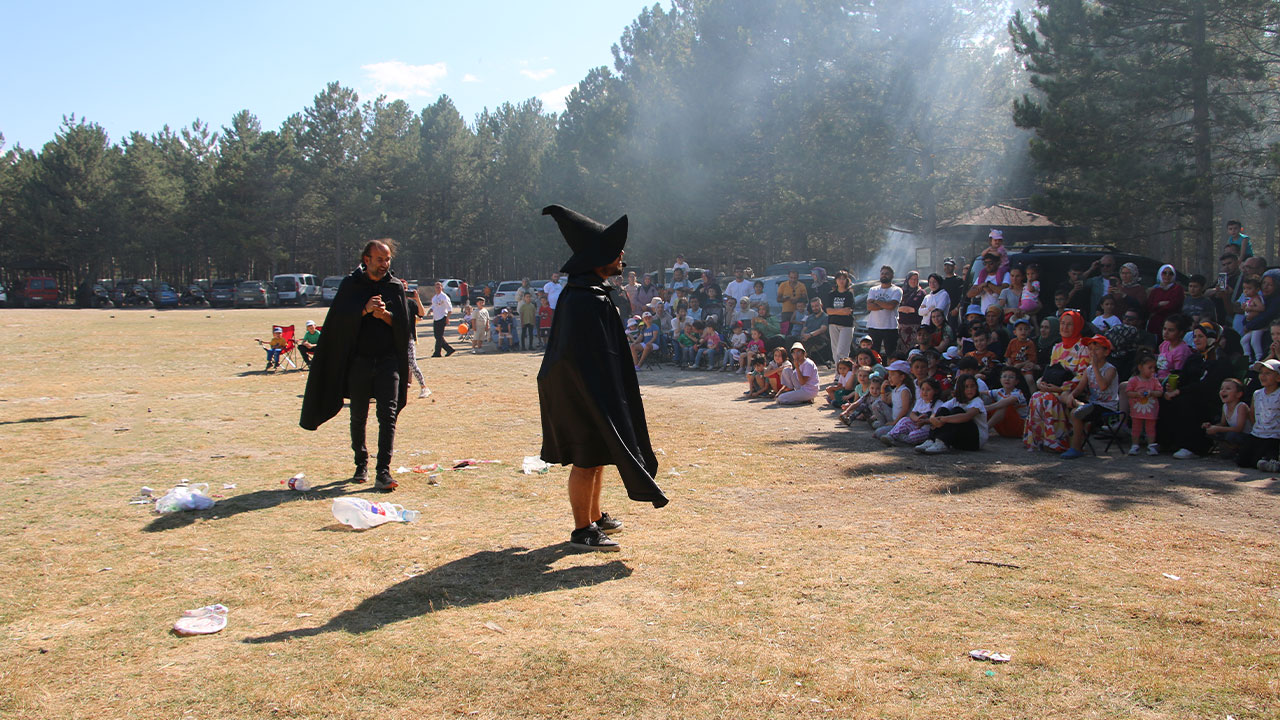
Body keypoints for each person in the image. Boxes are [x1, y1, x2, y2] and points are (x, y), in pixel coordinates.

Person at [537, 204, 668, 552]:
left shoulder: (590, 293)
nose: (622, 256)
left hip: (591, 391)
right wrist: (597, 397)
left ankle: (594, 516)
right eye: (614, 252)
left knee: (597, 454)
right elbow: (576, 360)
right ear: (598, 260)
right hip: (579, 393)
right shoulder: (582, 299)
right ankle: (582, 529)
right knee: (585, 458)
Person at [300, 239, 412, 491]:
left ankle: (383, 471)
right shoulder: (351, 286)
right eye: (380, 259)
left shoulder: (394, 287)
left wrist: (384, 315)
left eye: (388, 260)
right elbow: (337, 323)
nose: (385, 264)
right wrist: (363, 310)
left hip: (388, 361)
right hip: (359, 361)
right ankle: (361, 462)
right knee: (358, 414)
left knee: (388, 415)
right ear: (366, 260)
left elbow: (404, 328)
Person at [1161, 322, 1235, 459]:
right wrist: (1174, 385)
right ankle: (1167, 442)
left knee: (1187, 401)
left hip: (1209, 399)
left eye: (1201, 336)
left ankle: (1192, 446)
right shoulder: (1195, 357)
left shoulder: (1221, 361)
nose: (1197, 340)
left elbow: (1207, 385)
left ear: (1212, 338)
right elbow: (1184, 375)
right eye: (1195, 336)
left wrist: (1180, 391)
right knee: (1164, 397)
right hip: (1189, 393)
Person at [1024, 310, 1090, 452]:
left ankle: (1057, 442)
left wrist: (1059, 389)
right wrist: (1041, 382)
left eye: (1070, 325)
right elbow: (1052, 370)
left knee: (1048, 398)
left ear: (1077, 326)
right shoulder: (1057, 347)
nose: (1065, 328)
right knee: (1036, 396)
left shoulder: (1083, 348)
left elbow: (1082, 375)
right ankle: (1039, 440)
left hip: (1072, 390)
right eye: (1062, 324)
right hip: (1053, 387)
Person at [1060, 335, 1119, 459]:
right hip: (1092, 402)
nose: (1093, 352)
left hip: (1105, 405)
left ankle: (1076, 447)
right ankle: (1079, 405)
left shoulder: (1110, 369)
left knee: (1076, 413)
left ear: (1106, 352)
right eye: (1090, 349)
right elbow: (1080, 388)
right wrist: (1072, 395)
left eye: (1096, 349)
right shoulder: (1089, 370)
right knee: (1064, 395)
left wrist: (1096, 367)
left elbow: (1103, 386)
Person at [916, 375, 987, 454]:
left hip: (973, 441)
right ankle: (931, 440)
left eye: (972, 386)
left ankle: (942, 442)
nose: (969, 390)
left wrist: (943, 419)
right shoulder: (955, 400)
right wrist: (932, 419)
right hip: (958, 439)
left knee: (957, 411)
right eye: (966, 387)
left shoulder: (977, 402)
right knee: (943, 410)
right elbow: (939, 411)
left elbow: (967, 416)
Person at [1240, 359, 1280, 471]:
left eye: (1268, 373)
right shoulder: (1257, 394)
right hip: (1257, 433)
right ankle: (1267, 461)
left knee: (1258, 458)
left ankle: (1272, 460)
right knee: (1242, 460)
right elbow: (1252, 413)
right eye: (1261, 373)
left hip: (1274, 435)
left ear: (1278, 377)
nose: (1263, 376)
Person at [1203, 378, 1251, 462]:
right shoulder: (1225, 406)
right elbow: (1222, 424)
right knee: (1210, 431)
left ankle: (1237, 449)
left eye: (1228, 389)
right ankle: (1229, 448)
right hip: (1233, 433)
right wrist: (1211, 426)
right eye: (1222, 389)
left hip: (1245, 435)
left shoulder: (1241, 407)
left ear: (1238, 394)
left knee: (1231, 435)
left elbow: (1239, 428)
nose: (1223, 391)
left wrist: (1218, 429)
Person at [884, 378, 942, 447]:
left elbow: (936, 418)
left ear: (936, 391)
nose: (924, 392)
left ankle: (901, 439)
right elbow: (912, 413)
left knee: (913, 435)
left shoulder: (938, 404)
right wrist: (917, 418)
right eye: (922, 389)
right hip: (917, 425)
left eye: (928, 390)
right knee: (905, 420)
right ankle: (891, 435)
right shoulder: (920, 401)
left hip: (927, 430)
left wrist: (925, 421)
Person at [1126, 355, 1162, 455]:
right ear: (1140, 367)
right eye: (1149, 367)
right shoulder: (1134, 380)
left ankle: (1151, 445)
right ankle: (1135, 445)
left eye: (1154, 368)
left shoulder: (1154, 380)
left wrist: (1152, 393)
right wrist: (1137, 394)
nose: (1152, 370)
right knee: (1136, 427)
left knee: (1150, 427)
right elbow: (1128, 392)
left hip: (1150, 409)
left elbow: (1160, 392)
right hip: (1137, 408)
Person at [866, 265, 902, 358]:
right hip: (874, 326)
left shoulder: (897, 290)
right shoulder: (873, 289)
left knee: (891, 354)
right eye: (882, 273)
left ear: (892, 276)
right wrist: (884, 304)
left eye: (887, 274)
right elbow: (869, 306)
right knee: (873, 354)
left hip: (890, 327)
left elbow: (891, 306)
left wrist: (876, 301)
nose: (884, 275)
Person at [986, 367, 1028, 439]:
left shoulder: (1018, 393)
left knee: (1004, 405)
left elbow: (1008, 401)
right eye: (1004, 376)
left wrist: (987, 408)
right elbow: (984, 393)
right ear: (1000, 379)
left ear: (1016, 381)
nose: (1007, 379)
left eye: (1011, 377)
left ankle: (984, 429)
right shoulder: (1000, 391)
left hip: (1019, 428)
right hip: (1004, 428)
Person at [404, 283, 430, 397]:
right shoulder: (392, 302)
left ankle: (424, 387)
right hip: (394, 338)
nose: (404, 290)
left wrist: (417, 298)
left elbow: (422, 313)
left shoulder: (411, 303)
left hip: (408, 338)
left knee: (412, 364)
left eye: (405, 288)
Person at [1146, 264, 1184, 334]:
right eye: (1164, 273)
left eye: (1170, 273)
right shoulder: (1155, 290)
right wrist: (1159, 304)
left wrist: (1157, 307)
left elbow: (1173, 305)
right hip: (1155, 324)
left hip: (1171, 323)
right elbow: (1149, 306)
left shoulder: (1177, 289)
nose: (1167, 276)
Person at [898, 270, 926, 349]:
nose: (914, 281)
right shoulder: (901, 293)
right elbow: (895, 306)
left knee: (912, 349)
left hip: (915, 326)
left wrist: (911, 310)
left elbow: (923, 309)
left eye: (916, 279)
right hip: (902, 325)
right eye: (912, 279)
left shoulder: (921, 293)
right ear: (907, 280)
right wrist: (902, 309)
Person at [429, 281, 456, 358]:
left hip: (442, 317)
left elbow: (449, 309)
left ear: (442, 288)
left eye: (439, 287)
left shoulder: (444, 297)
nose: (438, 288)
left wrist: (447, 318)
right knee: (437, 336)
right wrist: (430, 310)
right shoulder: (434, 298)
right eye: (436, 287)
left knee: (439, 336)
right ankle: (449, 349)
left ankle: (437, 352)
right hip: (436, 317)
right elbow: (433, 306)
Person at [777, 270, 808, 335]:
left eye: (795, 278)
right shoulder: (783, 285)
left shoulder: (801, 285)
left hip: (799, 311)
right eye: (791, 278)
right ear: (788, 276)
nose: (793, 280)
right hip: (786, 312)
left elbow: (806, 299)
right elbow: (778, 299)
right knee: (786, 331)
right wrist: (786, 298)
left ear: (798, 277)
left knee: (799, 329)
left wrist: (797, 300)